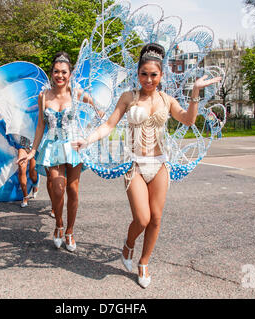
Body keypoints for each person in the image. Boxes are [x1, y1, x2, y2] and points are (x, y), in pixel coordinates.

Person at [72, 43, 222, 288]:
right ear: (137, 74)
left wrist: (195, 91)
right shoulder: (128, 97)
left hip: (160, 163)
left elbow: (188, 119)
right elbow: (109, 125)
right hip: (135, 164)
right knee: (141, 218)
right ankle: (128, 245)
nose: (149, 79)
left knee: (156, 219)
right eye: (144, 74)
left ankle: (144, 262)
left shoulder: (167, 100)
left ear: (161, 75)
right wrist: (87, 140)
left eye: (154, 75)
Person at [18, 51, 103, 252]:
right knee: (57, 189)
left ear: (70, 74)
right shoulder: (43, 96)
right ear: (52, 73)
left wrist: (88, 132)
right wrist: (32, 151)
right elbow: (40, 126)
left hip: (74, 146)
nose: (60, 76)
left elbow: (101, 110)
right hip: (53, 147)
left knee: (73, 190)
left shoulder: (77, 93)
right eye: (56, 72)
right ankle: (58, 224)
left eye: (64, 72)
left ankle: (70, 232)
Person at [17, 136, 39, 208]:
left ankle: (35, 184)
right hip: (22, 145)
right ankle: (25, 196)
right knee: (21, 168)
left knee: (33, 174)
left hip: (34, 146)